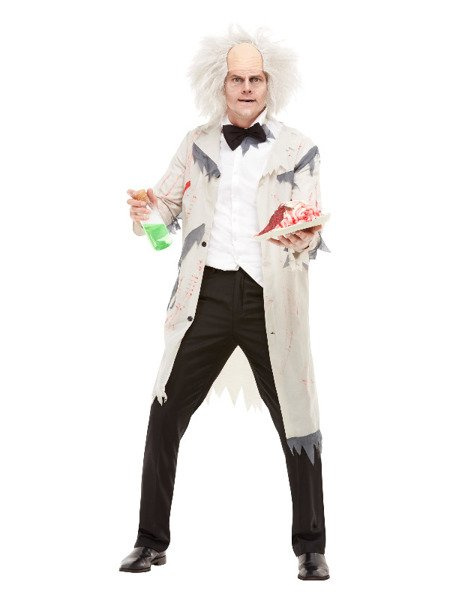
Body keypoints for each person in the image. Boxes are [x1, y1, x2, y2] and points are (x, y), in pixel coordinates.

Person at [120, 24, 331, 581]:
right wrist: (146, 212)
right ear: (221, 84)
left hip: (271, 300)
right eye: (236, 79)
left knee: (297, 417)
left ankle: (311, 547)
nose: (246, 88)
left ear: (270, 84)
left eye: (255, 79)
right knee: (165, 413)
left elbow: (308, 225)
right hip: (206, 294)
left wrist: (302, 236)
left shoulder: (299, 149)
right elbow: (166, 210)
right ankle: (149, 540)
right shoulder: (195, 144)